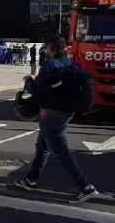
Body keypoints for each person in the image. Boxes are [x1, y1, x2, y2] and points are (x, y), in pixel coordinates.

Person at [14, 36, 99, 203]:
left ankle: (85, 186)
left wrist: (29, 81)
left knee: (60, 152)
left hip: (52, 113)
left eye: (47, 48)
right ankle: (31, 180)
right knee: (43, 146)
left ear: (50, 48)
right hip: (67, 111)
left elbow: (37, 90)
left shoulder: (50, 64)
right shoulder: (69, 63)